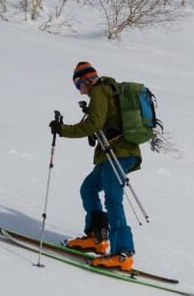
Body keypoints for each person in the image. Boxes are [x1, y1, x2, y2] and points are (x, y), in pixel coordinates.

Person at [50, 61, 141, 272]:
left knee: (113, 199)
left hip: (119, 153)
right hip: (112, 154)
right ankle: (96, 237)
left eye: (77, 85)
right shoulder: (105, 92)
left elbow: (93, 124)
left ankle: (123, 253)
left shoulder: (100, 91)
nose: (79, 90)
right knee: (88, 188)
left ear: (84, 80)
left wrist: (62, 130)